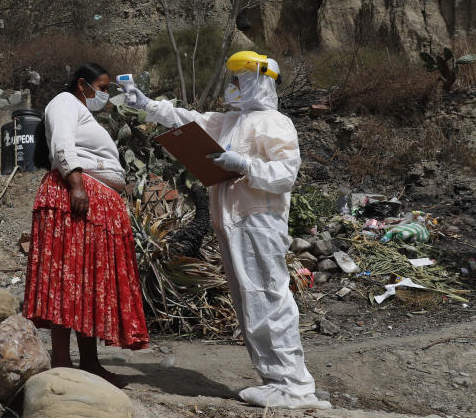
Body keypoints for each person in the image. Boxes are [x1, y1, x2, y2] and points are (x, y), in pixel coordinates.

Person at [123, 51, 331, 410]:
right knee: (250, 301)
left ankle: (295, 387)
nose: (233, 86)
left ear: (260, 81)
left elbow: (285, 176)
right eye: (232, 78)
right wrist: (147, 105)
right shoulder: (233, 121)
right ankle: (274, 380)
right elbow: (190, 120)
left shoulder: (274, 122)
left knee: (269, 296)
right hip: (235, 223)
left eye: (240, 79)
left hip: (259, 221)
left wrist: (244, 164)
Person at [25, 62, 149, 387]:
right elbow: (63, 142)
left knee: (87, 283)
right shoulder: (64, 102)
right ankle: (63, 363)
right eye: (102, 87)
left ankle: (90, 363)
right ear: (83, 85)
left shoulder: (85, 113)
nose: (105, 95)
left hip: (94, 205)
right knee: (67, 280)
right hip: (74, 197)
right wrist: (77, 185)